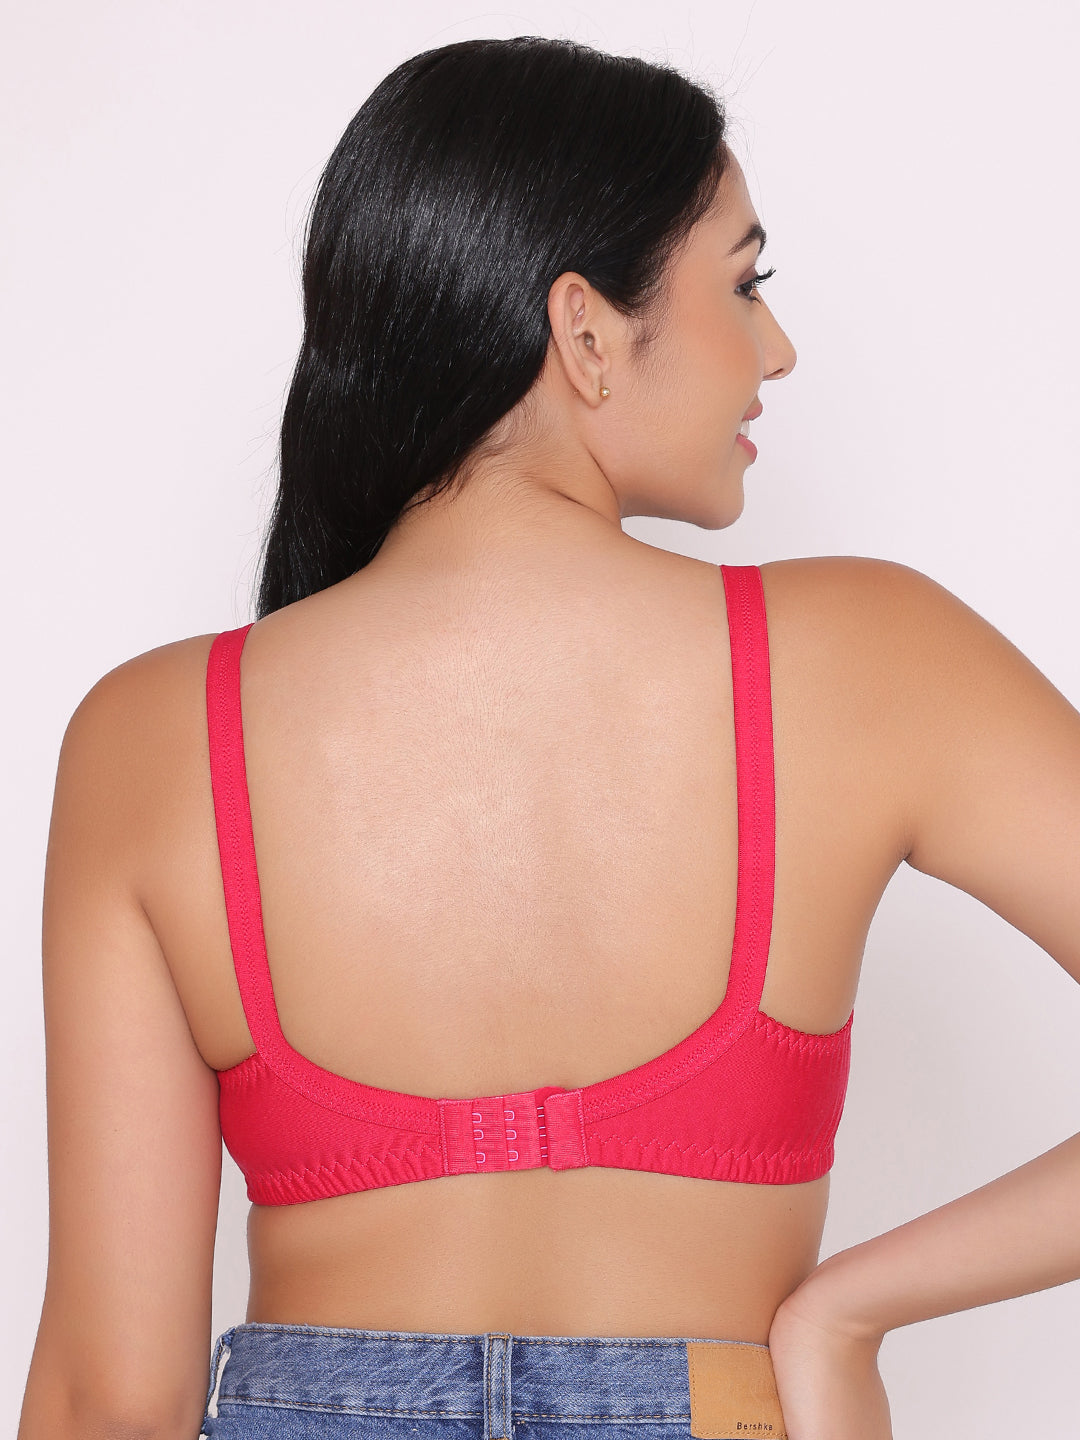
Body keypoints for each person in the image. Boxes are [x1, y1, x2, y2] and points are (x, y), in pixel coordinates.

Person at [16, 34, 1080, 1440]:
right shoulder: (872, 659)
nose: (776, 348)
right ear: (584, 332)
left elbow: (109, 1398)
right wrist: (845, 1312)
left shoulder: (152, 737)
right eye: (745, 283)